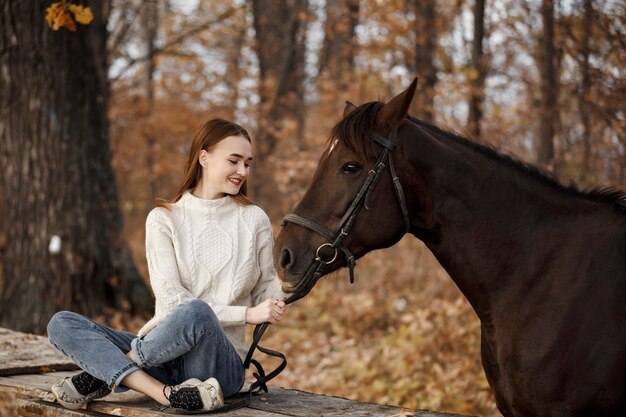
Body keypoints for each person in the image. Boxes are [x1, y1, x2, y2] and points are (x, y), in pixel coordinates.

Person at [47, 118, 287, 412]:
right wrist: (246, 314)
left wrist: (274, 302)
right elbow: (173, 303)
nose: (242, 171)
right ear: (204, 158)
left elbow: (269, 288)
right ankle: (166, 394)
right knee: (61, 323)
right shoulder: (164, 219)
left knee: (197, 311)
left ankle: (109, 373)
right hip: (161, 357)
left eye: (247, 163)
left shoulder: (254, 219)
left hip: (216, 367)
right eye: (234, 161)